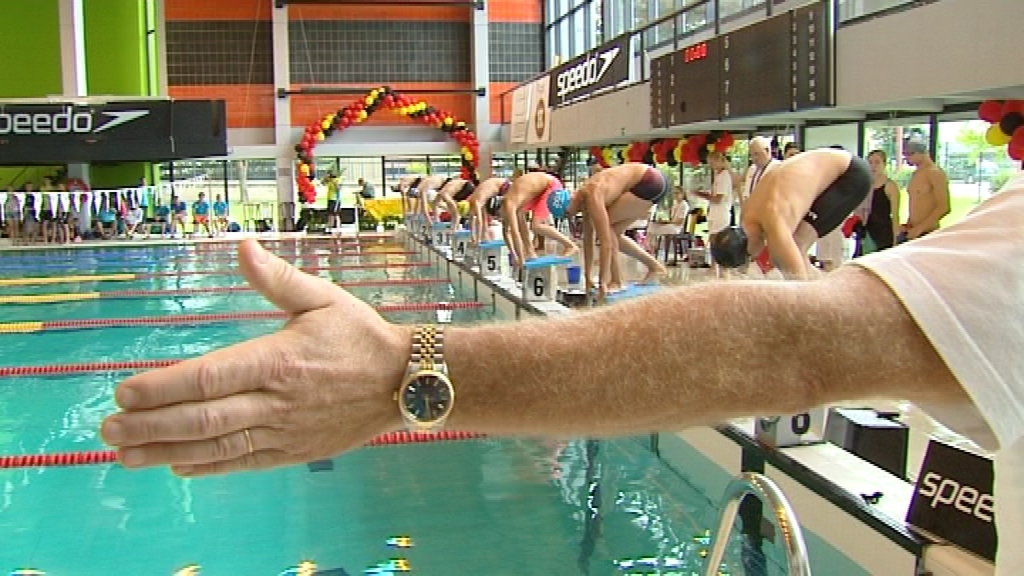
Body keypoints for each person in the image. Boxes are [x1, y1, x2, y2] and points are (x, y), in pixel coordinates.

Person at [100, 167, 1024, 573]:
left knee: (629, 246)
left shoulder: (765, 200)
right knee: (589, 242)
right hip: (637, 209)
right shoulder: (489, 195)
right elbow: (544, 226)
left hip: (765, 209)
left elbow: (799, 335)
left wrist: (405, 366)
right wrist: (600, 270)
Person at [710, 148, 871, 280]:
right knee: (789, 254)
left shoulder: (774, 221)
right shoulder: (748, 214)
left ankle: (835, 300)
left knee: (797, 248)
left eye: (750, 258)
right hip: (839, 163)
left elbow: (798, 283)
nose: (753, 260)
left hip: (850, 175)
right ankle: (830, 293)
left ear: (749, 247)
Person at [565, 163, 669, 300]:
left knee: (609, 230)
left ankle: (617, 281)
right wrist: (588, 276)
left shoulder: (593, 195)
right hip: (651, 181)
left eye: (568, 213)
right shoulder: (582, 198)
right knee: (614, 233)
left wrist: (602, 282)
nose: (571, 216)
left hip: (648, 181)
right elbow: (588, 240)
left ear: (570, 200)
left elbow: (605, 243)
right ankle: (655, 267)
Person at [500, 171, 577, 269]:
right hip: (539, 190)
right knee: (520, 215)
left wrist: (520, 258)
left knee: (536, 226)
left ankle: (570, 245)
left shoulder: (510, 205)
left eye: (500, 216)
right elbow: (506, 230)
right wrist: (515, 255)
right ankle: (530, 251)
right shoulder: (512, 201)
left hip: (551, 186)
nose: (502, 218)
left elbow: (515, 233)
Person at [900, 138, 950, 242]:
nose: (907, 158)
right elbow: (916, 202)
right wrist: (909, 224)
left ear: (922, 152)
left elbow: (944, 207)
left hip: (928, 233)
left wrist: (920, 229)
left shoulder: (935, 173)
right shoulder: (916, 174)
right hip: (913, 231)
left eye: (910, 154)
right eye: (905, 155)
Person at [862, 149, 901, 254]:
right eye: (870, 162)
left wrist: (895, 239)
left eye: (877, 162)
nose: (873, 166)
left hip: (883, 233)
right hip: (867, 232)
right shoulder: (866, 186)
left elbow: (895, 216)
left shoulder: (890, 186)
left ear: (884, 164)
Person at [465, 177, 508, 243]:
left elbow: (479, 221)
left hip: (503, 185)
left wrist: (477, 240)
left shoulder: (476, 202)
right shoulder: (471, 200)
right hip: (496, 184)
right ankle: (485, 236)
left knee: (509, 215)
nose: (472, 214)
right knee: (485, 217)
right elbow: (472, 220)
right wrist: (473, 237)